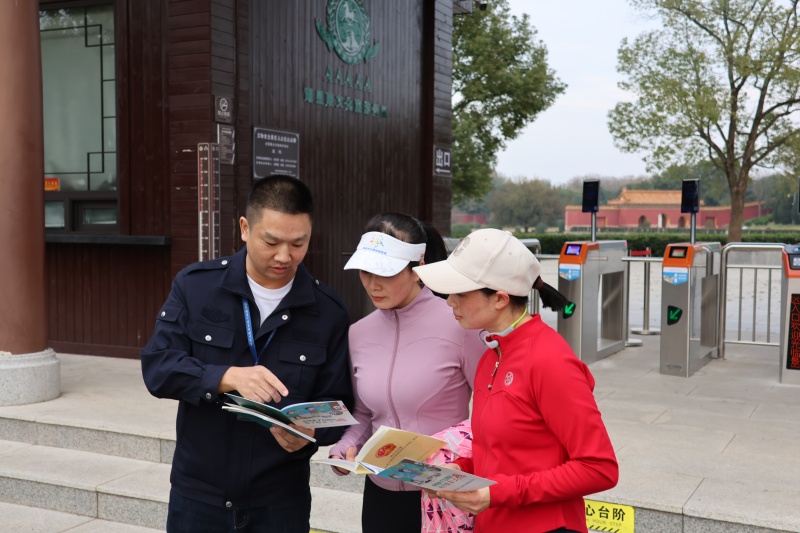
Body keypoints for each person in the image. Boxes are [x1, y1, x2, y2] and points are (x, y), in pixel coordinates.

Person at [141, 175, 353, 533]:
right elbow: (158, 367)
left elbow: (340, 404)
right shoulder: (196, 287)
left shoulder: (328, 311)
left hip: (279, 502)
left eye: (298, 243)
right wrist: (226, 376)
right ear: (244, 228)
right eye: (271, 241)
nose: (284, 256)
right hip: (199, 498)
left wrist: (311, 432)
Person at [413, 228, 619, 533]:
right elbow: (498, 453)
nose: (450, 302)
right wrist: (459, 469)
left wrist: (499, 493)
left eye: (461, 293)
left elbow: (599, 468)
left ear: (500, 298)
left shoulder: (550, 360)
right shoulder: (492, 353)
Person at [328, 213, 485, 533]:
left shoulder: (461, 326)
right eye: (365, 271)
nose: (373, 284)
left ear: (418, 268)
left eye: (385, 273)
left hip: (444, 495)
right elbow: (364, 413)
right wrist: (345, 445)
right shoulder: (358, 333)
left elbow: (492, 410)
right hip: (380, 498)